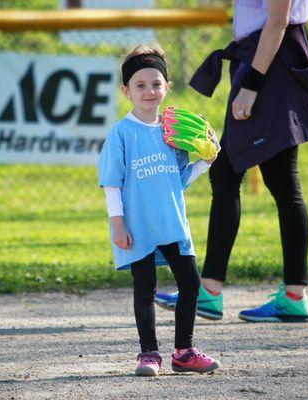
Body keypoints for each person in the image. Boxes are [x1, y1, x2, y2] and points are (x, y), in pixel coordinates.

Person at [155, 0, 308, 323]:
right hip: (265, 61)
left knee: (238, 175)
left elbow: (277, 22)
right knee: (262, 180)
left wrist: (251, 84)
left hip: (271, 66)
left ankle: (216, 291)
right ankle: (276, 294)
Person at [97, 44, 219, 376]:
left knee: (191, 283)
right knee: (145, 289)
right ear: (126, 91)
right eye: (140, 85)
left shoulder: (173, 131)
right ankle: (149, 353)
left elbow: (179, 179)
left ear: (167, 87)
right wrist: (117, 223)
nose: (149, 91)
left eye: (156, 83)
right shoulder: (122, 133)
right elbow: (112, 183)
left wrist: (206, 161)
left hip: (172, 222)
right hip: (138, 225)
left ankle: (184, 351)